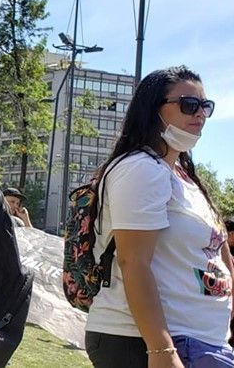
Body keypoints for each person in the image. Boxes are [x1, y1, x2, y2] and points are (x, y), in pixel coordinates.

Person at [85, 66, 234, 367]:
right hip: (144, 341)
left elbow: (217, 252)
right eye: (188, 105)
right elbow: (133, 262)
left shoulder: (183, 176)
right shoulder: (141, 168)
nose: (200, 114)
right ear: (153, 109)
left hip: (199, 340)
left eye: (205, 106)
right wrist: (161, 350)